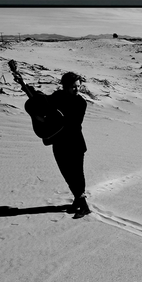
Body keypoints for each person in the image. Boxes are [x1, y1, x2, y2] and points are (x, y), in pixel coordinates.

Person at [47, 72, 91, 218]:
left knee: (77, 175)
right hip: (59, 143)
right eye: (73, 87)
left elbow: (74, 122)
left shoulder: (81, 102)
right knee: (67, 175)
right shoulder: (57, 97)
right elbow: (42, 103)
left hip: (75, 144)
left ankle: (84, 206)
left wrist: (55, 117)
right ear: (65, 87)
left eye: (78, 86)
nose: (77, 90)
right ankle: (78, 201)